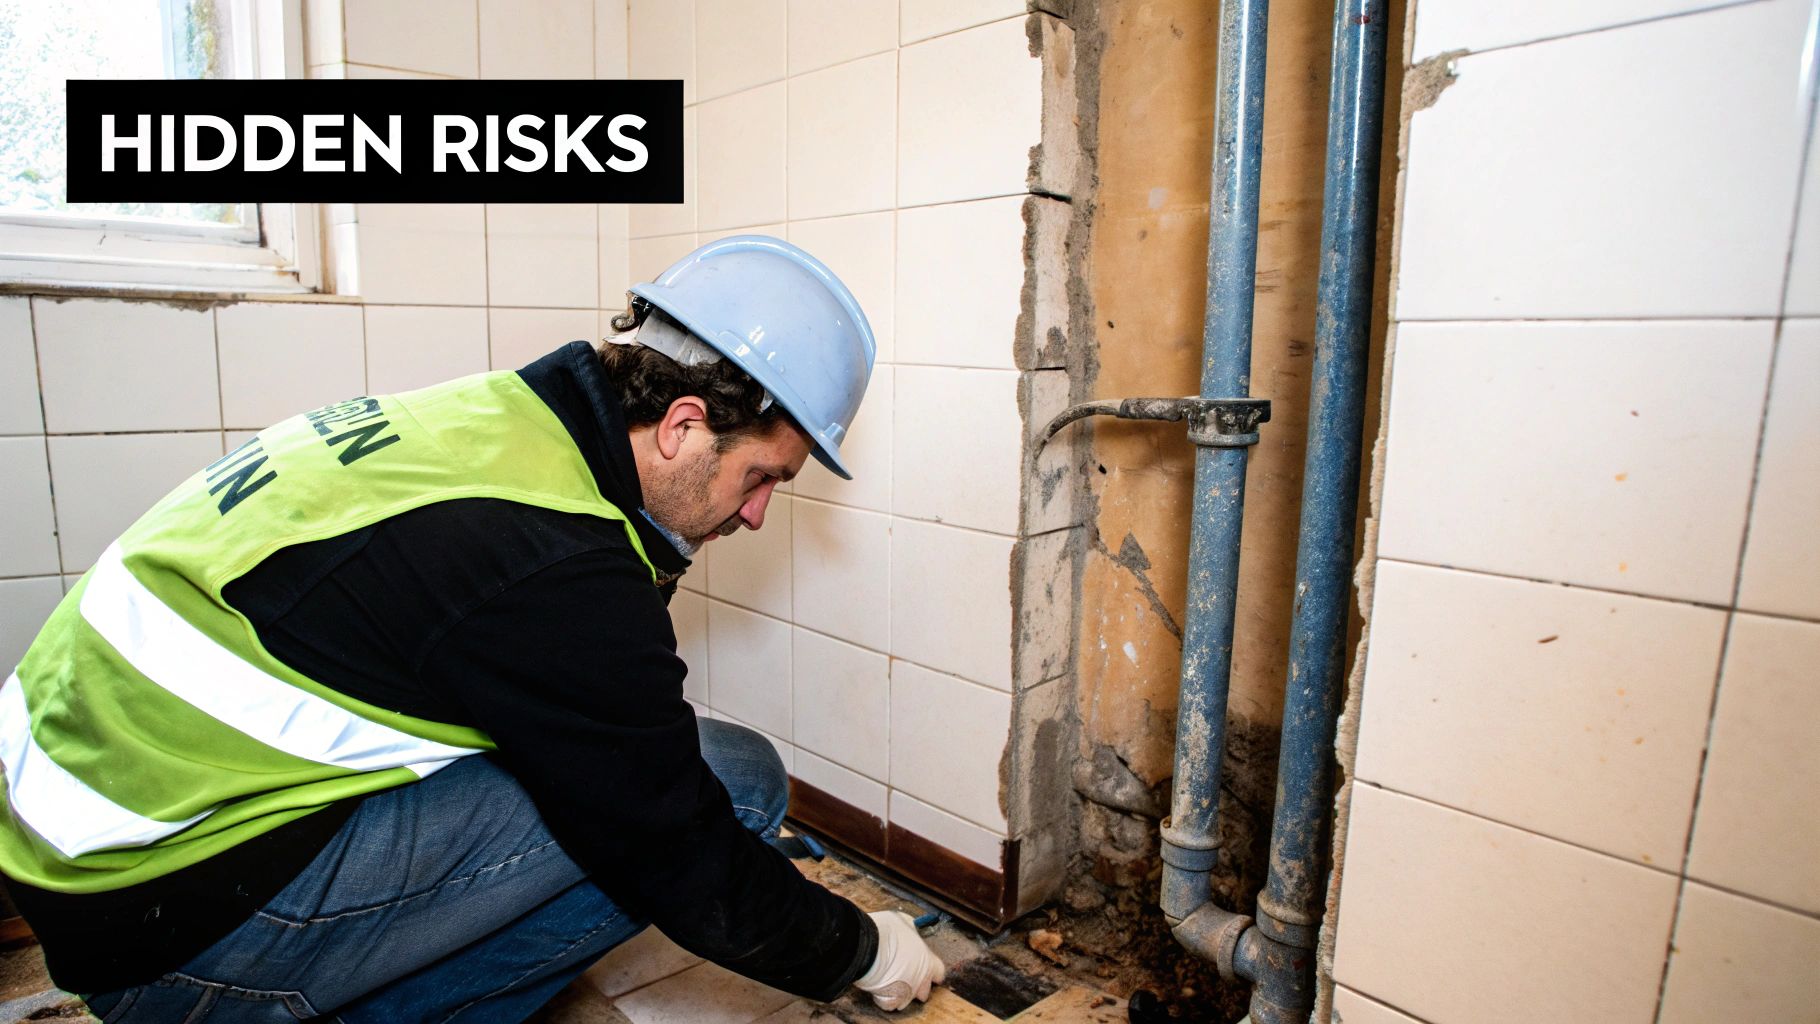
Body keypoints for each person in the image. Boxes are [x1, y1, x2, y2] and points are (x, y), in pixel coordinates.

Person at [0, 235, 944, 1021]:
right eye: (761, 478)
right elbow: (676, 844)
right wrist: (858, 951)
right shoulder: (554, 560)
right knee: (732, 785)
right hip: (166, 935)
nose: (756, 516)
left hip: (83, 857)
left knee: (605, 776)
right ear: (682, 426)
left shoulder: (500, 420)